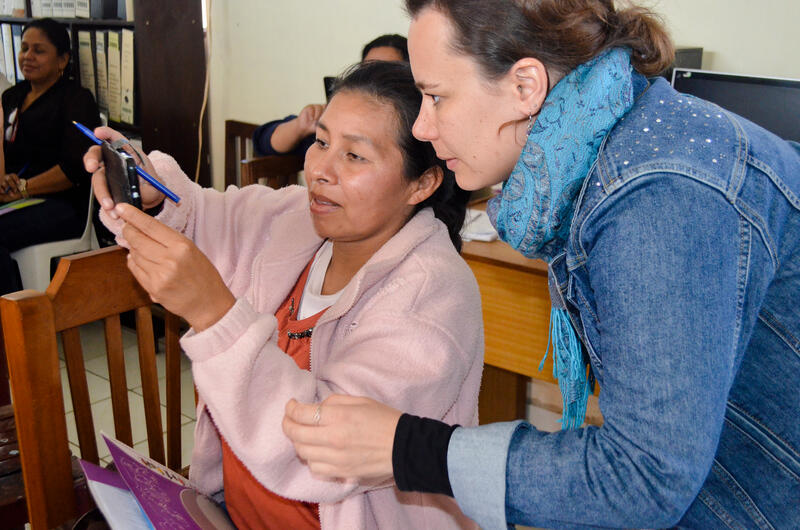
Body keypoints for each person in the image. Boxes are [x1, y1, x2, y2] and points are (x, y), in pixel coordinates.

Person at [282, 1, 800, 528]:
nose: (422, 127)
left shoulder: (660, 193)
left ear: (525, 87)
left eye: (436, 97)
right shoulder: (617, 147)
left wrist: (405, 448)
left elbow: (645, 476)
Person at [87, 60, 481, 529]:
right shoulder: (298, 221)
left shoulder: (431, 299)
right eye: (321, 141)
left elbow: (325, 453)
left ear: (423, 183)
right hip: (233, 513)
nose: (320, 170)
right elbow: (203, 216)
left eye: (354, 156)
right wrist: (151, 193)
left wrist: (215, 315)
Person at [0, 17, 100, 294]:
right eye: (24, 48)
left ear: (62, 60)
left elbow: (73, 169)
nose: (27, 57)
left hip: (61, 206)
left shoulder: (76, 100)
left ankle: (16, 328)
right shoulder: (12, 96)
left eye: (39, 50)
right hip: (16, 197)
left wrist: (23, 188)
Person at [252, 34, 408, 159]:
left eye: (385, 73)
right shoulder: (337, 123)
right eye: (367, 70)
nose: (373, 80)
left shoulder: (417, 129)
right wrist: (301, 125)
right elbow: (263, 143)